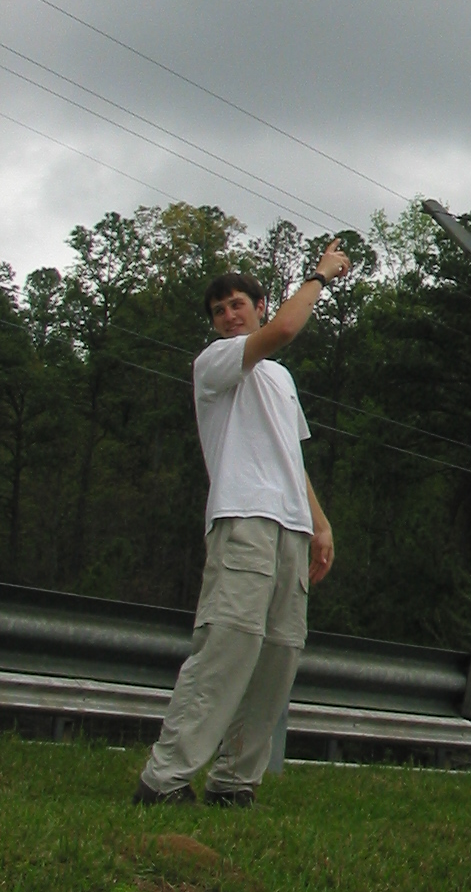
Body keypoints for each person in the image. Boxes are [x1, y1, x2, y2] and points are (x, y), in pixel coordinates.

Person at [134, 238, 353, 806]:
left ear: (257, 304)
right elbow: (282, 331)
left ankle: (234, 782)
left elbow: (290, 455)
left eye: (238, 304)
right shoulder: (216, 362)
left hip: (290, 528)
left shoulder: (280, 380)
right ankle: (165, 778)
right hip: (243, 520)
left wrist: (320, 524)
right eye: (219, 309)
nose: (229, 315)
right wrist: (320, 277)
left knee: (278, 655)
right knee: (227, 646)